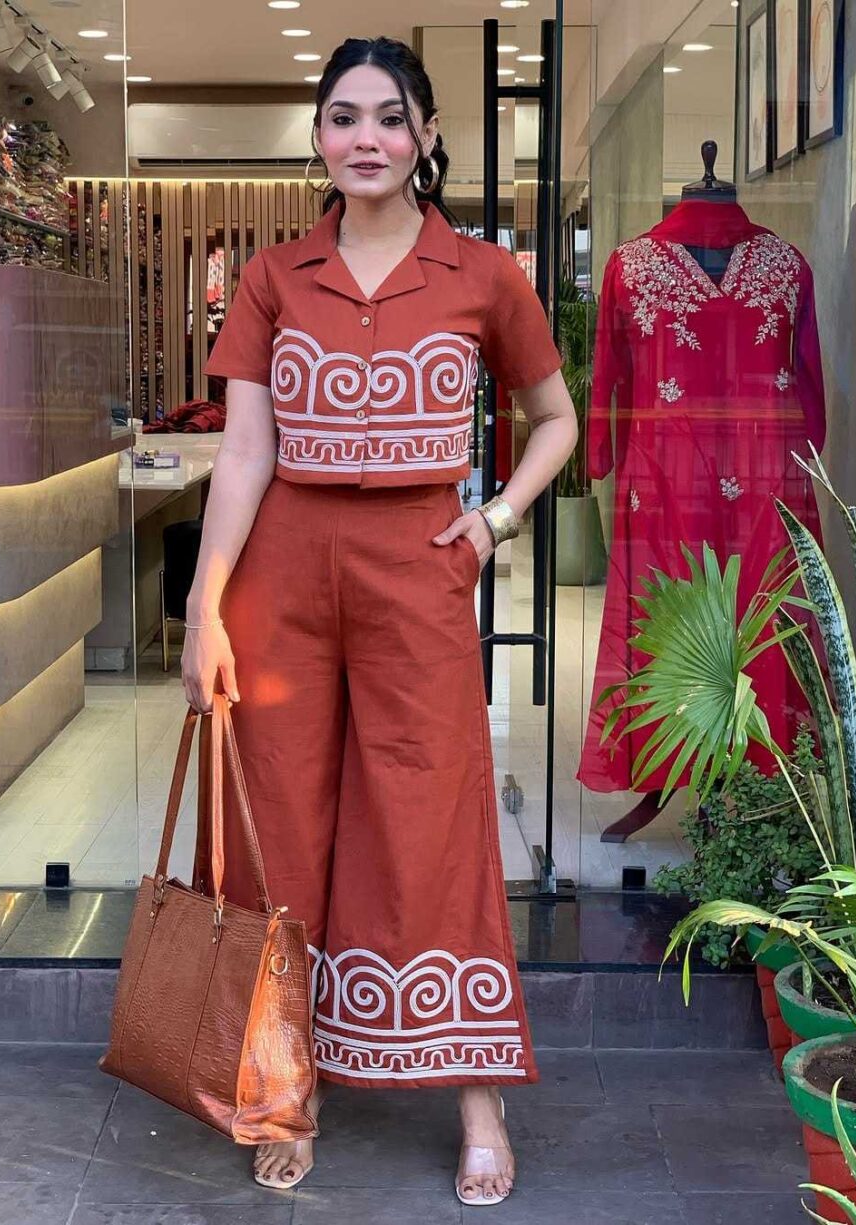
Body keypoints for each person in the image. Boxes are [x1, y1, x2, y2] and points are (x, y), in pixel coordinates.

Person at [182, 35, 577, 1206]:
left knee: (434, 818)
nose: (366, 138)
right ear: (317, 136)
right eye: (343, 117)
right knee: (277, 827)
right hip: (282, 576)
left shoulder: (481, 275)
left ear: (426, 135)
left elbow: (555, 418)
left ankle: (477, 1099)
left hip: (419, 571)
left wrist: (494, 520)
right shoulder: (274, 276)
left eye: (389, 117)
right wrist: (204, 606)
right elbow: (243, 454)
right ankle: (283, 1085)